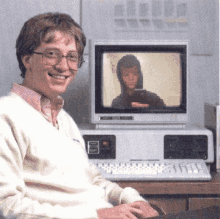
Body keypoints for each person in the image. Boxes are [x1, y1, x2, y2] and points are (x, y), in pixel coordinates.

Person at [0, 12, 160, 219]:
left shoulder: (63, 119)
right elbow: (7, 206)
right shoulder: (6, 115)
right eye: (51, 54)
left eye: (72, 57)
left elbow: (91, 181)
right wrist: (98, 215)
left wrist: (131, 199)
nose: (63, 66)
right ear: (27, 59)